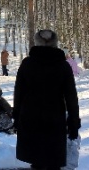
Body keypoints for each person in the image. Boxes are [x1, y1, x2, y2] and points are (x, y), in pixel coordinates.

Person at [13, 29, 81, 170]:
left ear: (37, 42)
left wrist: (16, 117)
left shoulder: (27, 64)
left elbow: (18, 93)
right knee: (53, 161)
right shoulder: (63, 66)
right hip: (54, 119)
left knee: (36, 161)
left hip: (30, 118)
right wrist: (73, 122)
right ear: (55, 43)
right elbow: (71, 97)